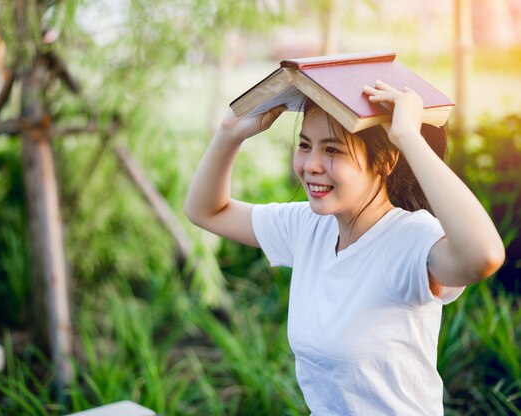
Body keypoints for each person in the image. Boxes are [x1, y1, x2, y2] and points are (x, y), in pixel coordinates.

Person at [184, 79, 505, 415]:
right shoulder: (309, 226)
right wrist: (229, 132)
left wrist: (409, 137)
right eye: (305, 145)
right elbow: (206, 211)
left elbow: (483, 256)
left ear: (386, 161)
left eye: (333, 150)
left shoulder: (411, 240)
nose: (311, 165)